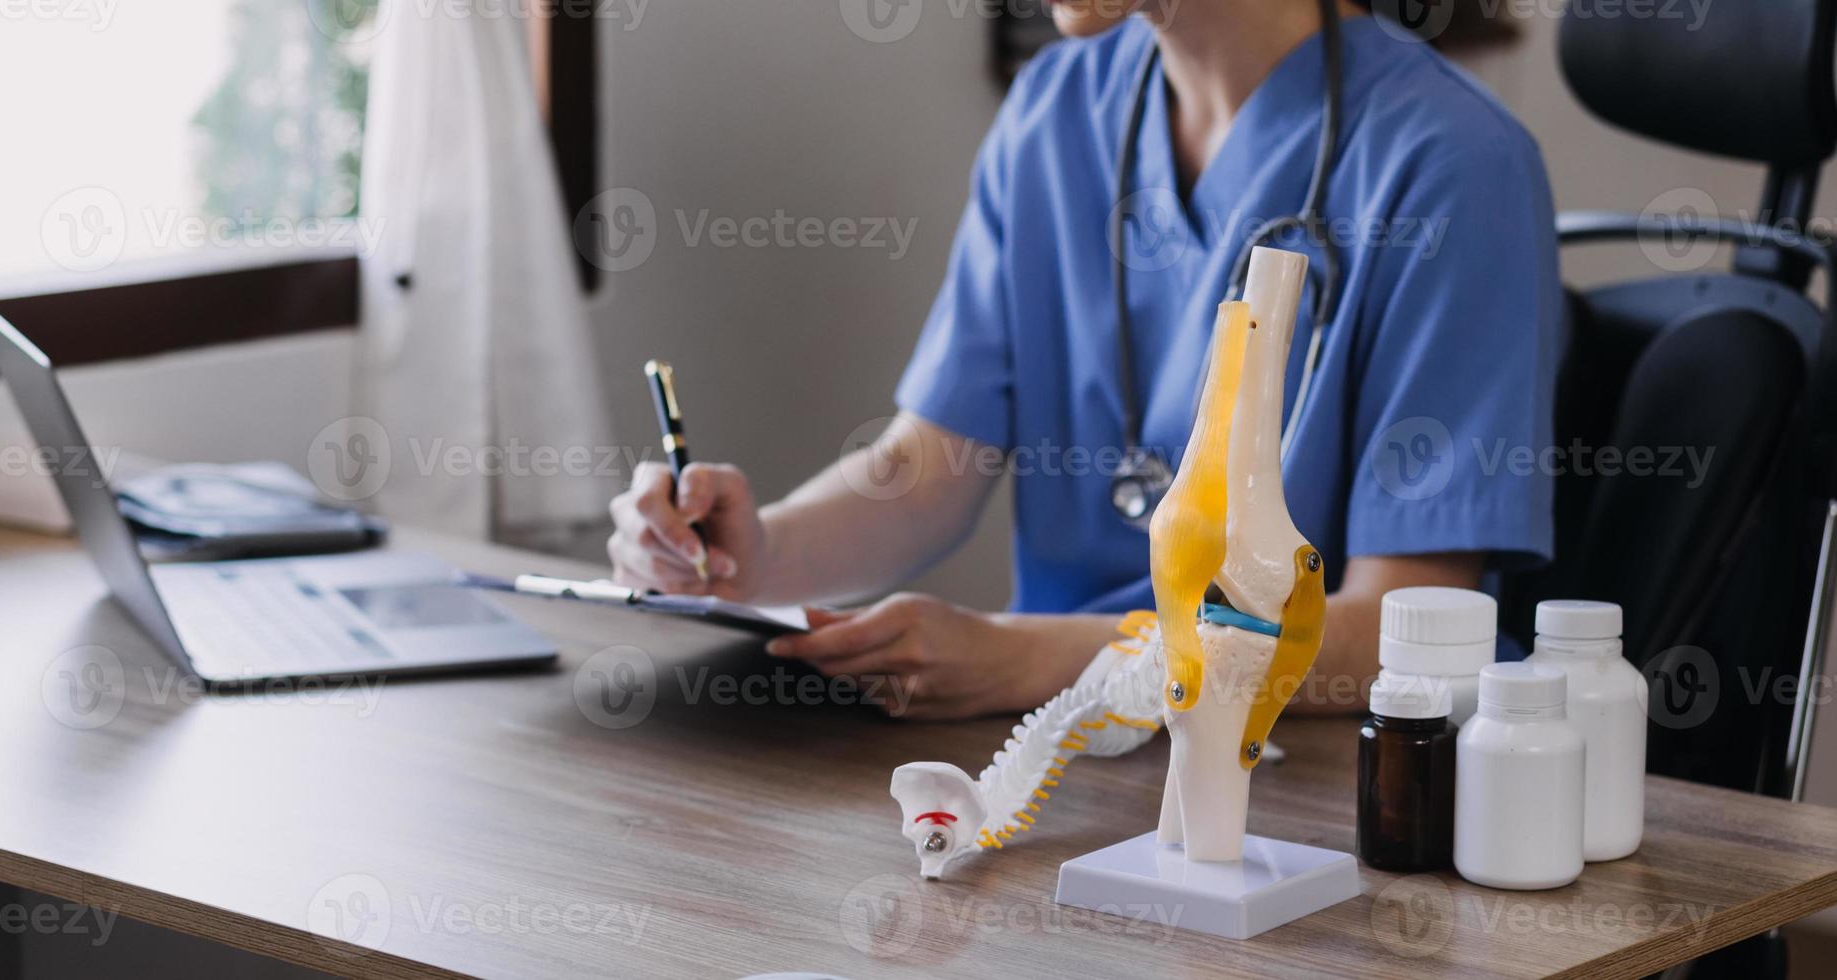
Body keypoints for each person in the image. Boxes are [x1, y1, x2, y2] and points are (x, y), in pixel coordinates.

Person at [607, 0, 1558, 720]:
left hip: (1301, 773)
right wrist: (752, 554)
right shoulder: (1057, 107)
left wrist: (1036, 658)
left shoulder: (1454, 164)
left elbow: (1413, 625)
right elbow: (933, 463)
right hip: (1065, 743)